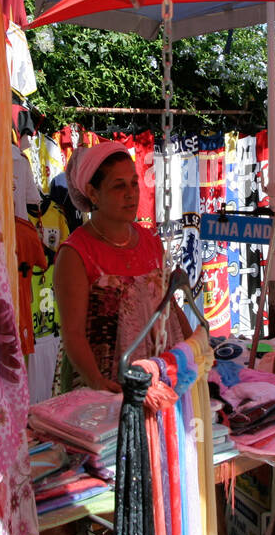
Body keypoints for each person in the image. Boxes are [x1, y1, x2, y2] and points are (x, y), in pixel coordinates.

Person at [54, 141, 187, 392]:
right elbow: (73, 335)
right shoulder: (75, 254)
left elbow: (170, 306)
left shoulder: (150, 241)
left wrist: (195, 350)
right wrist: (98, 383)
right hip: (106, 386)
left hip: (160, 378)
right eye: (118, 186)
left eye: (134, 183)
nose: (130, 193)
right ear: (93, 194)